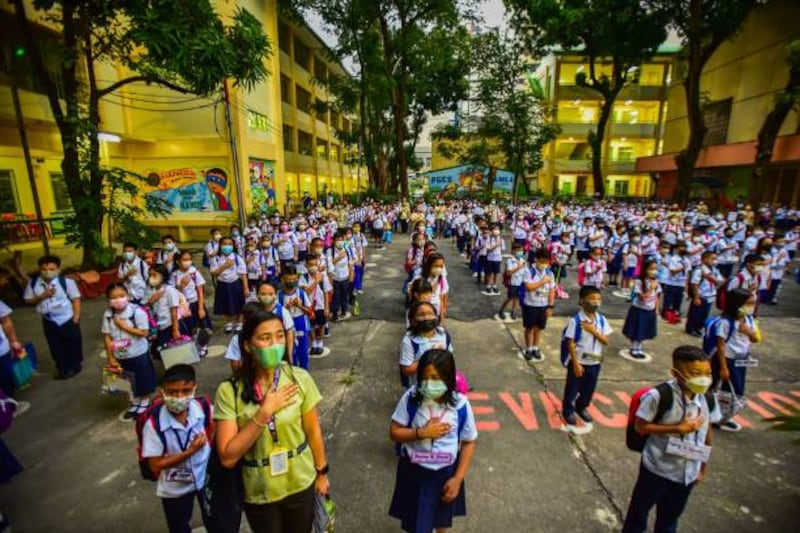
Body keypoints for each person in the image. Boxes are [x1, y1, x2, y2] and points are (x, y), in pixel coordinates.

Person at [214, 311, 330, 532]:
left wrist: (322, 473)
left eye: (279, 336)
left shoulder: (299, 378)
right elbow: (228, 457)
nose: (275, 344)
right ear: (248, 346)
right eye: (265, 338)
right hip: (260, 490)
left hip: (301, 481)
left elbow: (313, 430)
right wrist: (263, 413)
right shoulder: (229, 391)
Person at [621, 345, 720, 533]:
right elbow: (640, 426)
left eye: (707, 373)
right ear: (676, 373)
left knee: (669, 519)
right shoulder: (659, 396)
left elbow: (706, 434)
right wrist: (677, 428)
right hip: (657, 468)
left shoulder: (707, 398)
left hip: (687, 474)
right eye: (695, 373)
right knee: (638, 514)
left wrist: (702, 468)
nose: (704, 379)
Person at [388, 349, 477, 533]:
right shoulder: (411, 398)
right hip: (415, 473)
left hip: (445, 474)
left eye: (435, 378)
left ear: (448, 378)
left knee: (442, 522)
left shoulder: (460, 405)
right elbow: (394, 432)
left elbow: (469, 442)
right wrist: (420, 433)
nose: (429, 384)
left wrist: (458, 479)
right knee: (417, 524)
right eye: (424, 377)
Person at [141, 364, 212, 533]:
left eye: (186, 391)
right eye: (172, 392)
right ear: (162, 391)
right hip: (175, 488)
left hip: (204, 477)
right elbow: (155, 465)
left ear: (194, 388)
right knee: (179, 526)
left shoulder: (203, 408)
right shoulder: (154, 424)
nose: (179, 397)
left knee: (214, 518)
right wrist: (189, 452)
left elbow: (213, 429)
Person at [22, 255, 83, 380]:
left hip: (66, 318)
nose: (47, 272)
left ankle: (74, 366)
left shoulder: (66, 282)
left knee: (72, 344)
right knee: (55, 346)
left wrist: (76, 317)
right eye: (44, 269)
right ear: (39, 269)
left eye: (51, 269)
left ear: (58, 269)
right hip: (49, 320)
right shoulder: (34, 283)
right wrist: (42, 296)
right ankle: (62, 368)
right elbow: (27, 300)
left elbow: (76, 299)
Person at [562, 285, 613, 430]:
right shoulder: (576, 321)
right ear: (582, 301)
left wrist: (593, 331)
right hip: (579, 361)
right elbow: (570, 343)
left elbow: (606, 340)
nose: (595, 302)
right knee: (572, 388)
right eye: (591, 299)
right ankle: (568, 410)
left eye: (598, 299)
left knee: (588, 388)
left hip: (595, 361)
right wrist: (576, 363)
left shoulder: (601, 320)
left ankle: (582, 406)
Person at [103, 283, 157, 419]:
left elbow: (144, 332)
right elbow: (107, 336)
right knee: (128, 378)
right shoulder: (108, 315)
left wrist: (124, 327)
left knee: (142, 377)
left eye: (121, 296)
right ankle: (135, 402)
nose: (118, 300)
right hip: (120, 354)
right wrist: (111, 357)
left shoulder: (137, 312)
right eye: (114, 297)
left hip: (137, 352)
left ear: (127, 296)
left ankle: (144, 401)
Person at [711, 288, 760, 432]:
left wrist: (749, 332)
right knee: (721, 388)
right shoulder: (724, 322)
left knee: (736, 390)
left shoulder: (749, 320)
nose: (752, 306)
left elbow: (756, 339)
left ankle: (725, 416)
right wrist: (724, 368)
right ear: (737, 304)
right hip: (727, 360)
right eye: (748, 303)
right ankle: (716, 415)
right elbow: (720, 346)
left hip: (741, 359)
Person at [399, 302, 454, 388]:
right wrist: (429, 358)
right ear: (413, 321)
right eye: (421, 315)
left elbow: (449, 359)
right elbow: (406, 370)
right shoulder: (409, 341)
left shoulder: (443, 335)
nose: (426, 318)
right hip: (418, 386)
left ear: (436, 317)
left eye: (430, 314)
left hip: (440, 384)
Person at [170, 251, 211, 356]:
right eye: (184, 260)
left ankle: (203, 346)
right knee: (187, 328)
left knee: (199, 327)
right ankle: (192, 347)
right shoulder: (174, 275)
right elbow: (172, 292)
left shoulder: (194, 272)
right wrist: (181, 286)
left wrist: (201, 308)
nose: (187, 262)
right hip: (182, 306)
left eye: (189, 259)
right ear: (178, 262)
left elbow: (200, 292)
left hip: (195, 303)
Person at [520, 249, 556, 363]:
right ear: (536, 259)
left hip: (543, 305)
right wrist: (542, 282)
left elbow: (551, 291)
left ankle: (535, 347)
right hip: (530, 304)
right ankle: (529, 348)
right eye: (541, 261)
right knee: (529, 327)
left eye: (546, 261)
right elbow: (529, 287)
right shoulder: (529, 271)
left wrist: (550, 306)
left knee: (539, 328)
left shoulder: (550, 273)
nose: (543, 264)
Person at [622, 259, 661, 360]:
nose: (654, 271)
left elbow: (657, 297)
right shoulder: (639, 282)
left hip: (650, 309)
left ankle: (639, 347)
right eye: (651, 269)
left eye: (655, 269)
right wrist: (651, 288)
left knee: (644, 329)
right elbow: (642, 298)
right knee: (636, 329)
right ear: (646, 269)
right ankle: (633, 347)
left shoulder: (656, 282)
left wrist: (656, 310)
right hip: (639, 309)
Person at [0, 290, 30, 415]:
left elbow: (6, 321)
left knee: (5, 379)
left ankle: (9, 408)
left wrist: (14, 341)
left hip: (1, 350)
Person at [211, 236, 249, 334]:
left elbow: (243, 273)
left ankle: (240, 323)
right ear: (220, 246)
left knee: (239, 303)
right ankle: (228, 323)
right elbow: (214, 273)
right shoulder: (216, 258)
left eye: (229, 244)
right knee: (225, 304)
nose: (227, 246)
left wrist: (245, 288)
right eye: (224, 244)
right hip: (222, 284)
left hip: (235, 283)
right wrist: (225, 266)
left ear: (233, 246)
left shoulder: (237, 258)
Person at [278, 266, 313, 370]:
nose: (291, 282)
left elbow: (310, 312)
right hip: (286, 325)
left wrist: (300, 306)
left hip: (300, 322)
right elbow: (276, 315)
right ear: (283, 280)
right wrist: (286, 308)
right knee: (289, 351)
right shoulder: (279, 295)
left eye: (294, 280)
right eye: (288, 280)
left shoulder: (301, 293)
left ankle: (304, 372)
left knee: (303, 351)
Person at [145, 264, 184, 358]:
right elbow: (146, 307)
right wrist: (151, 301)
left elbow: (174, 312)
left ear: (163, 276)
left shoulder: (170, 290)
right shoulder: (149, 290)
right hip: (157, 326)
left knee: (170, 350)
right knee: (159, 351)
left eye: (154, 275)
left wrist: (175, 330)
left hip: (169, 325)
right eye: (150, 275)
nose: (151, 278)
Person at [299, 254, 331, 357]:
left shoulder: (323, 276)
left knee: (321, 324)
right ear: (306, 266)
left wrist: (326, 307)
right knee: (311, 325)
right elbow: (306, 292)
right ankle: (313, 344)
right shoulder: (303, 278)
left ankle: (320, 343)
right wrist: (316, 281)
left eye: (314, 264)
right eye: (310, 265)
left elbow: (326, 292)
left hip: (320, 305)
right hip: (309, 307)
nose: (313, 267)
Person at [685, 251, 723, 337]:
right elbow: (694, 284)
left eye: (715, 259)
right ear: (704, 259)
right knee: (695, 314)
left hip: (710, 296)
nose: (714, 261)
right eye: (712, 259)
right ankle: (691, 329)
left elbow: (720, 281)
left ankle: (699, 328)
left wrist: (713, 279)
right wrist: (696, 297)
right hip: (701, 295)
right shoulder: (699, 270)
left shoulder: (715, 270)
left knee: (704, 314)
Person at [496, 242, 527, 322]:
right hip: (513, 283)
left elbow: (526, 272)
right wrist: (518, 267)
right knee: (509, 298)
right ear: (513, 251)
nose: (521, 252)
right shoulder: (510, 261)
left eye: (522, 250)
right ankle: (501, 310)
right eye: (519, 250)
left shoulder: (523, 260)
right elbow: (508, 273)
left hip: (520, 283)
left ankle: (513, 311)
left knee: (516, 298)